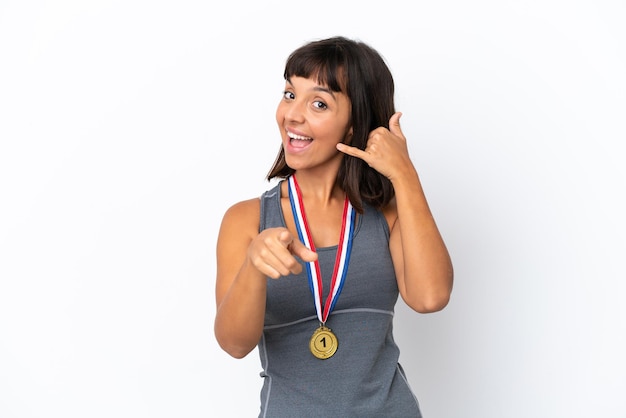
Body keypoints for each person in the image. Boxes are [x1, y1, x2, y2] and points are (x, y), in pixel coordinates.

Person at [214, 36, 453, 417]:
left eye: (319, 103)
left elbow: (430, 297)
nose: (292, 115)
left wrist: (404, 175)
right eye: (290, 94)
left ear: (355, 126)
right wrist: (253, 266)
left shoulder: (387, 214)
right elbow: (234, 343)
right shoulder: (245, 220)